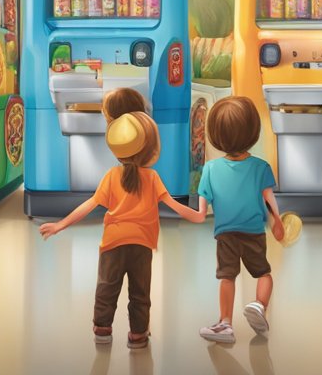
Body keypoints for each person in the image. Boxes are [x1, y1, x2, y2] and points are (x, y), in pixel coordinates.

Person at [39, 100, 204, 348]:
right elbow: (174, 205)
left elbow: (91, 204)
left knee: (107, 287)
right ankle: (138, 334)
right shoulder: (152, 177)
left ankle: (102, 328)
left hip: (113, 244)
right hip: (141, 245)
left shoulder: (112, 176)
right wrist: (197, 215)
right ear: (150, 150)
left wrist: (61, 224)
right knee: (140, 293)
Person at [194, 96, 286, 344]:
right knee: (263, 273)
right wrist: (277, 221)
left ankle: (225, 323)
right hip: (254, 231)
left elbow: (202, 206)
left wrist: (194, 214)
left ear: (215, 134)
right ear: (253, 132)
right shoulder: (261, 167)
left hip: (225, 234)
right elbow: (269, 200)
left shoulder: (211, 169)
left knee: (227, 276)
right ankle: (259, 305)